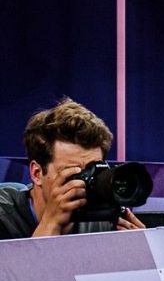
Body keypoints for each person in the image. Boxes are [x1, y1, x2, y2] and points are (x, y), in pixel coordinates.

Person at [0, 98, 146, 240]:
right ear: (37, 173)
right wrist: (51, 224)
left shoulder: (104, 217)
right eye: (73, 173)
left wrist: (140, 252)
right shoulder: (4, 217)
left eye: (93, 171)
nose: (84, 184)